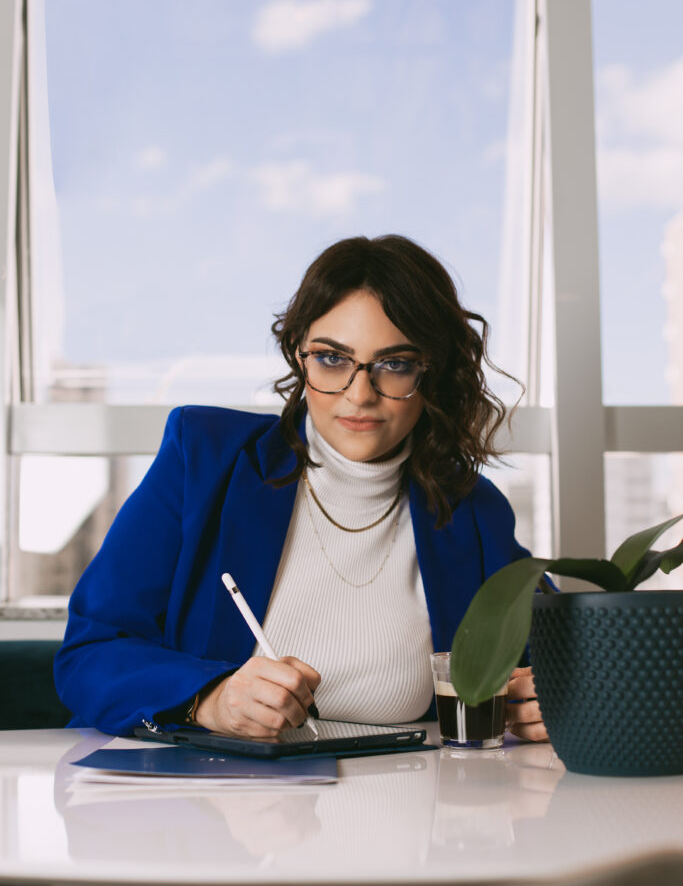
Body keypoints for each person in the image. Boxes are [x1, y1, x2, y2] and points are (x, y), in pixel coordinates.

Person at [54, 235, 548, 743]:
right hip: (200, 807)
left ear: (435, 371)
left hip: (409, 804)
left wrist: (544, 698)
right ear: (299, 355)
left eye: (395, 364)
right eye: (332, 358)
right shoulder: (203, 459)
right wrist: (209, 700)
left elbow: (554, 664)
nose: (360, 395)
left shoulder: (473, 512)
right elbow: (89, 655)